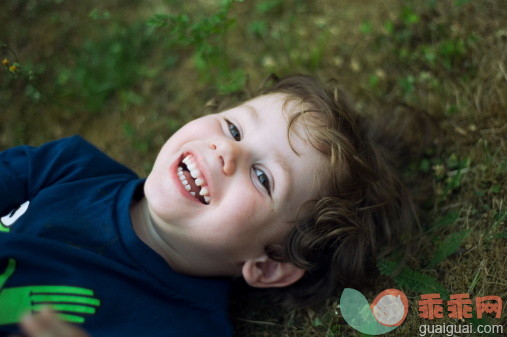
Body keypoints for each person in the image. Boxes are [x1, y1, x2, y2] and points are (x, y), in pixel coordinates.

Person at [0, 74, 419, 337]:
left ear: (270, 265)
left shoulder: (180, 327)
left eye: (262, 177)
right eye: (234, 127)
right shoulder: (68, 166)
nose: (226, 152)